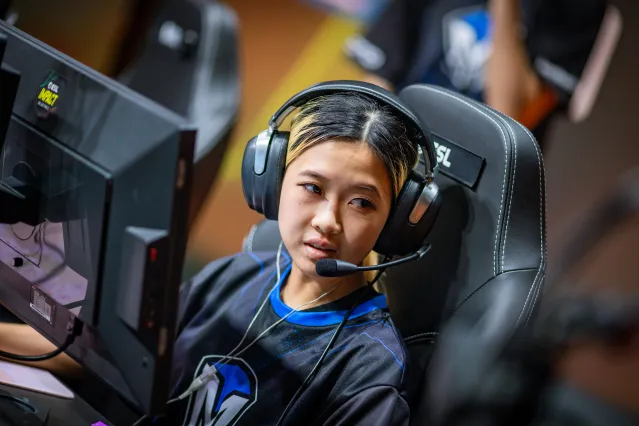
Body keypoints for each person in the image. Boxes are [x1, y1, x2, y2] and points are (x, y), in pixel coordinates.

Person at [164, 90, 419, 425]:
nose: (328, 220)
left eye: (361, 202)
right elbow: (122, 369)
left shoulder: (371, 369)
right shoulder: (229, 277)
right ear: (273, 181)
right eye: (313, 188)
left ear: (392, 225)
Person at [344, 0, 607, 146]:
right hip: (404, 139)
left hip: (482, 172)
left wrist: (504, 8)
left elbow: (506, 115)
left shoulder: (578, 8)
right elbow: (377, 83)